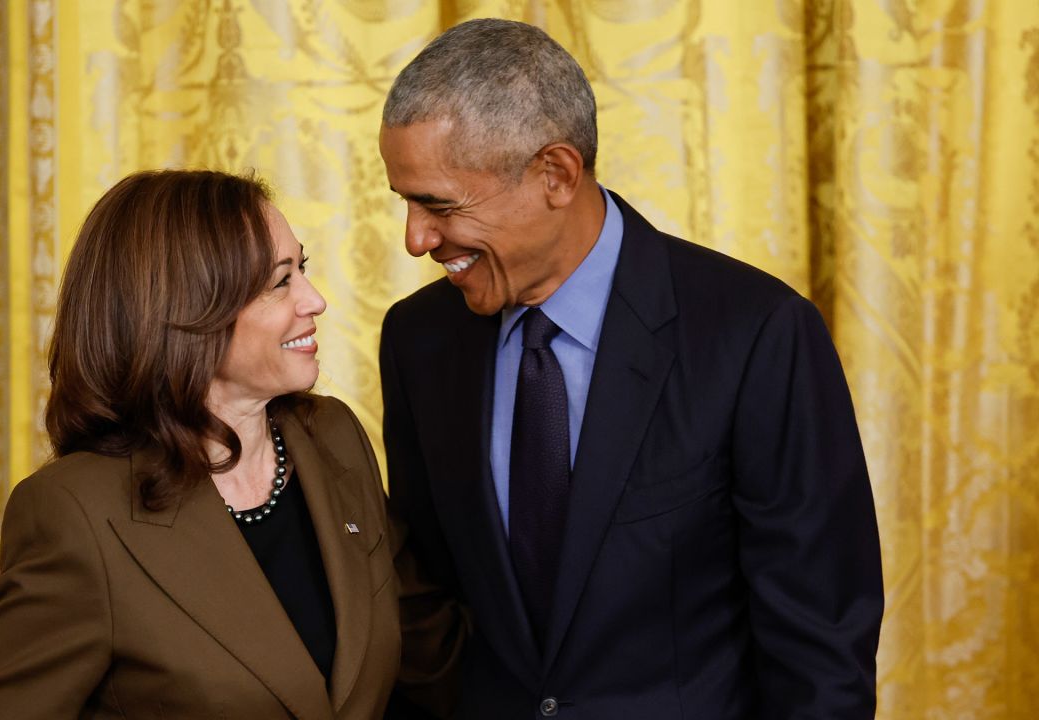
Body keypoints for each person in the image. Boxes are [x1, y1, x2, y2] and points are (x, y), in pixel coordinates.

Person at [378, 19, 884, 719]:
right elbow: (427, 602)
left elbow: (819, 648)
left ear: (555, 174)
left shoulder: (756, 334)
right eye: (403, 201)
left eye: (438, 204)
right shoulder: (418, 339)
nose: (415, 238)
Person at [0, 170, 404, 719]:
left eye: (300, 269)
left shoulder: (332, 434)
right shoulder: (75, 512)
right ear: (186, 312)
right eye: (279, 281)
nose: (315, 301)